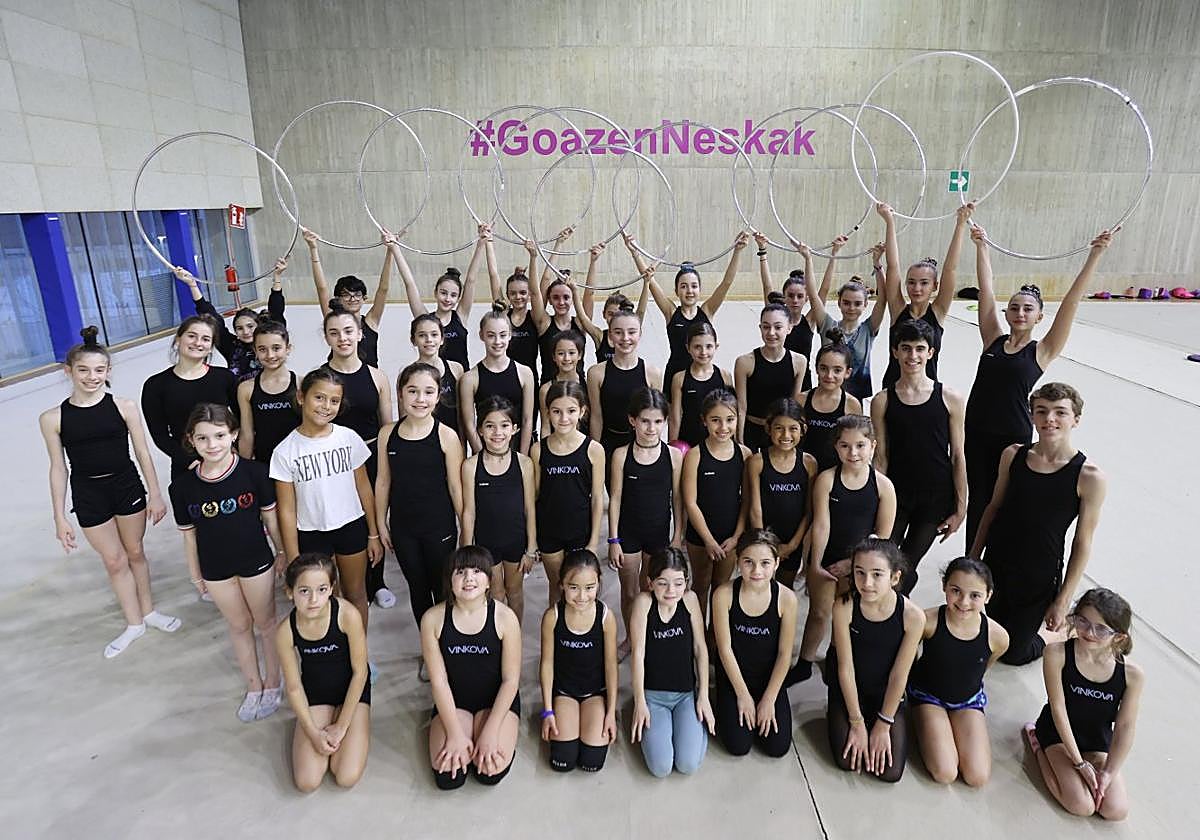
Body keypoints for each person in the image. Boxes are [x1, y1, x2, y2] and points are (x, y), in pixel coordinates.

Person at [963, 227, 1116, 547]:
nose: (1020, 313)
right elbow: (986, 289)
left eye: (1027, 309)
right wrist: (981, 247)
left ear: (1039, 317)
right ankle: (970, 565)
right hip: (975, 433)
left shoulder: (1041, 351)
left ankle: (996, 566)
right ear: (1006, 313)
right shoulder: (993, 338)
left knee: (1002, 503)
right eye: (1015, 307)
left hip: (1010, 437)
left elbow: (1071, 303)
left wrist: (1095, 255)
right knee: (977, 501)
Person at [40, 327, 179, 658]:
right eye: (83, 370)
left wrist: (155, 494)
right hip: (88, 493)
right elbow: (58, 468)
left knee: (134, 553)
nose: (92, 377)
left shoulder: (124, 406)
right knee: (114, 561)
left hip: (125, 485)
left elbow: (143, 453)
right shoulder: (53, 418)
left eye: (99, 370)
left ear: (109, 371)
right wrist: (59, 517)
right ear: (68, 372)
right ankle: (134, 623)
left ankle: (148, 612)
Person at [971, 383, 1106, 666]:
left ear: (1076, 420)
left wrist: (1063, 599)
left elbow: (1083, 542)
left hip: (1038, 574)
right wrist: (972, 559)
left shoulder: (1088, 476)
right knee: (980, 637)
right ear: (1032, 416)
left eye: (1060, 413)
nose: (1050, 420)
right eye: (1042, 412)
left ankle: (1056, 634)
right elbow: (993, 508)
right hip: (997, 562)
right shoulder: (1014, 455)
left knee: (1014, 653)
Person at [174, 403, 284, 720]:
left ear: (233, 434)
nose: (213, 445)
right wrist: (197, 577)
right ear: (191, 441)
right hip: (216, 570)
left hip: (256, 562)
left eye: (220, 436)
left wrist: (281, 554)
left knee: (266, 623)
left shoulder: (255, 473)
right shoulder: (182, 487)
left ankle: (274, 680)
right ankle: (253, 685)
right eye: (204, 438)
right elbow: (190, 536)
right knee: (238, 626)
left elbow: (271, 520)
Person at [271, 369, 383, 636]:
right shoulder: (286, 451)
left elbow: (364, 488)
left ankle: (358, 651)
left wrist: (374, 533)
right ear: (301, 397)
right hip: (311, 534)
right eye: (319, 398)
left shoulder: (348, 438)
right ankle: (335, 650)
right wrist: (292, 554)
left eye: (334, 401)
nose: (326, 406)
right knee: (325, 598)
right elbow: (287, 510)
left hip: (350, 527)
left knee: (356, 593)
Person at [793, 415, 896, 684]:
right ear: (835, 447)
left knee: (847, 615)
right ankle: (804, 662)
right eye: (845, 446)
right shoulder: (827, 480)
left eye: (860, 446)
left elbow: (882, 538)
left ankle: (835, 658)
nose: (853, 453)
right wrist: (814, 565)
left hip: (862, 566)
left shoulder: (883, 486)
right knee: (819, 612)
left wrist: (853, 565)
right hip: (826, 559)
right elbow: (821, 525)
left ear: (872, 446)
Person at [1025, 588, 1142, 821]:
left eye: (1101, 629)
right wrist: (1079, 764)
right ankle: (1037, 744)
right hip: (1057, 733)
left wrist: (1109, 772)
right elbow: (1058, 708)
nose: (1089, 632)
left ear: (1118, 637)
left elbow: (1125, 727)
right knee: (1081, 805)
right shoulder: (1056, 653)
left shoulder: (1132, 674)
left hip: (1097, 740)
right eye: (1083, 622)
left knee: (1115, 810)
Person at [374, 363, 464, 663]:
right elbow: (383, 481)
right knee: (418, 588)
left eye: (428, 392)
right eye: (412, 391)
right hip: (403, 528)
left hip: (439, 527)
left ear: (438, 397)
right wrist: (380, 524)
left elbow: (455, 486)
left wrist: (466, 526)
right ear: (400, 394)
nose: (420, 399)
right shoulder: (388, 434)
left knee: (443, 588)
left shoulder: (447, 436)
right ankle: (429, 650)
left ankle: (448, 645)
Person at [870, 319, 967, 593]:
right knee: (883, 560)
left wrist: (961, 509)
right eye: (906, 348)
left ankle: (895, 620)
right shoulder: (883, 400)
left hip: (934, 498)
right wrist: (874, 501)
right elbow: (881, 457)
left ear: (930, 353)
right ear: (895, 352)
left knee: (906, 569)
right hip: (896, 495)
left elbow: (958, 456)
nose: (913, 356)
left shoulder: (950, 398)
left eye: (919, 349)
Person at [421, 546, 522, 789]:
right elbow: (439, 682)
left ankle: (490, 729)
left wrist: (490, 731)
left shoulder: (505, 618)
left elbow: (510, 681)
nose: (469, 578)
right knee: (449, 777)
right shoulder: (433, 619)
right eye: (460, 572)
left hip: (496, 700)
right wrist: (454, 734)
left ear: (489, 581)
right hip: (455, 702)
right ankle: (459, 730)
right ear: (450, 581)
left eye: (477, 571)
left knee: (489, 773)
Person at [826, 538, 925, 782]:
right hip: (851, 688)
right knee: (849, 761)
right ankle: (842, 713)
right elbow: (845, 668)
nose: (866, 583)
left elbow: (900, 675)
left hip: (886, 692)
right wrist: (857, 722)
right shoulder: (844, 607)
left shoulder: (913, 616)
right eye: (860, 573)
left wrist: (884, 723)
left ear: (894, 577)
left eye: (877, 574)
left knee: (890, 773)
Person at [908, 557, 1009, 786]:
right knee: (945, 772)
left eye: (975, 595)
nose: (964, 602)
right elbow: (908, 659)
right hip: (928, 696)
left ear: (988, 596)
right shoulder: (927, 621)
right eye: (956, 591)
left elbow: (981, 669)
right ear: (944, 586)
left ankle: (951, 724)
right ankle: (924, 719)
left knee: (977, 777)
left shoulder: (998, 637)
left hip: (967, 700)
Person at [321, 300, 394, 609]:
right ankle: (337, 582)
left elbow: (387, 426)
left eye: (349, 331)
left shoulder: (377, 377)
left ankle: (376, 581)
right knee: (340, 521)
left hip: (370, 456)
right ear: (327, 338)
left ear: (360, 334)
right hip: (334, 461)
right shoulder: (321, 379)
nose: (343, 338)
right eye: (335, 333)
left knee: (371, 521)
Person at [276, 554, 370, 792]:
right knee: (307, 782)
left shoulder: (347, 615)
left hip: (352, 690)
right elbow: (295, 687)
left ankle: (353, 719)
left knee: (346, 776)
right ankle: (322, 723)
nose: (313, 599)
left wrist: (342, 725)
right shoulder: (285, 631)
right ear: (290, 592)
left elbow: (360, 673)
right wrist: (312, 732)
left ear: (331, 589)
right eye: (304, 591)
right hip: (316, 692)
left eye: (321, 589)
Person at [608, 387, 685, 653]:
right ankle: (631, 637)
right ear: (633, 421)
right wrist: (614, 539)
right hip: (628, 533)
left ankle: (648, 634)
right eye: (645, 421)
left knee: (650, 588)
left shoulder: (673, 456)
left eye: (658, 421)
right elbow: (615, 499)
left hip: (659, 533)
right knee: (629, 592)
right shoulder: (620, 455)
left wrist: (678, 534)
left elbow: (678, 498)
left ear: (665, 422)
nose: (651, 428)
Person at [711, 529, 798, 758]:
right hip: (735, 675)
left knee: (777, 747)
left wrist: (769, 699)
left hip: (768, 677)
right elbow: (724, 649)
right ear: (738, 562)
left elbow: (784, 655)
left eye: (765, 563)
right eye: (748, 562)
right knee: (738, 746)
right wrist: (742, 694)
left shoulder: (787, 599)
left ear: (777, 563)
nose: (757, 571)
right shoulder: (723, 595)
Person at [629, 548, 714, 777]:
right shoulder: (644, 604)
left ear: (686, 582)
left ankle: (692, 729)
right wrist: (640, 702)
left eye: (678, 583)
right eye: (662, 583)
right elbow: (638, 654)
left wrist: (703, 696)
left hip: (685, 694)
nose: (671, 591)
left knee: (687, 765)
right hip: (654, 697)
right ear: (650, 582)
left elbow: (700, 649)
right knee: (661, 768)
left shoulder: (690, 600)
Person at [539, 550, 619, 772]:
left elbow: (611, 666)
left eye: (589, 588)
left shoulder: (606, 617)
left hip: (595, 693)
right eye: (573, 587)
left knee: (591, 762)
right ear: (562, 585)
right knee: (563, 761)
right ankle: (565, 716)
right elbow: (546, 664)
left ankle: (594, 716)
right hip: (565, 692)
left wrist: (611, 712)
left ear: (598, 583)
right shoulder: (552, 617)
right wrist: (548, 711)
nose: (582, 596)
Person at [461, 396, 537, 623]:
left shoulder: (524, 463)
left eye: (504, 426)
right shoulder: (471, 466)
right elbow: (469, 512)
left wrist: (531, 547)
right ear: (480, 430)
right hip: (486, 545)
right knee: (495, 593)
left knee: (514, 592)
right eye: (490, 426)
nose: (498, 433)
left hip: (516, 542)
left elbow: (529, 508)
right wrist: (467, 550)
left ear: (514, 429)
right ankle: (498, 634)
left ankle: (515, 634)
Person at [879, 204, 973, 388]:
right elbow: (892, 266)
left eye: (924, 283)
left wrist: (960, 224)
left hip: (926, 391)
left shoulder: (938, 312)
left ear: (935, 286)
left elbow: (950, 269)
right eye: (912, 282)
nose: (917, 288)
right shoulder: (898, 310)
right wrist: (889, 221)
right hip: (894, 387)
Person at [141, 313, 238, 490]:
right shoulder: (156, 385)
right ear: (178, 340)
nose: (198, 343)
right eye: (192, 336)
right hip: (186, 466)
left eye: (205, 339)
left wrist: (233, 452)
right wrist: (191, 461)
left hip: (227, 461)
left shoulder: (224, 378)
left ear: (210, 348)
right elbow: (160, 435)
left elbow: (240, 419)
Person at [645, 232, 748, 392]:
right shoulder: (671, 312)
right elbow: (650, 281)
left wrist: (738, 251)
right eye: (684, 286)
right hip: (675, 374)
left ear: (700, 289)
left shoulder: (707, 311)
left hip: (702, 374)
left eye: (694, 286)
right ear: (676, 290)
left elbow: (726, 283)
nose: (689, 291)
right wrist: (634, 253)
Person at [532, 381, 604, 600]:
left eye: (571, 411)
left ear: (582, 411)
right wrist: (533, 540)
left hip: (580, 533)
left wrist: (592, 542)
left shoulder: (593, 450)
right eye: (556, 412)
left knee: (581, 591)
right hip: (550, 533)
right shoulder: (538, 450)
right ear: (547, 413)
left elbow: (598, 499)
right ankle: (555, 633)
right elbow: (534, 497)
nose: (564, 418)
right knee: (557, 587)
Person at [682, 389, 749, 622]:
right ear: (704, 421)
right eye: (715, 420)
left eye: (730, 420)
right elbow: (690, 502)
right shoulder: (695, 455)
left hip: (730, 535)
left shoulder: (744, 454)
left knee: (721, 588)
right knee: (700, 584)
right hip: (700, 536)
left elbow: (747, 501)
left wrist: (737, 536)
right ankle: (698, 632)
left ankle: (715, 636)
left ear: (738, 418)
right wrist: (708, 540)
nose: (723, 427)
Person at [803, 224, 889, 401]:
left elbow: (883, 299)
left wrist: (878, 265)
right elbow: (814, 295)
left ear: (865, 304)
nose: (851, 308)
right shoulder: (828, 324)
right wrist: (829, 256)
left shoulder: (868, 329)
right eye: (847, 303)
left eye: (857, 303)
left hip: (856, 396)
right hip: (826, 396)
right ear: (840, 303)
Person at [176, 259, 287, 381]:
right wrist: (192, 285)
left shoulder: (268, 341)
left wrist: (277, 277)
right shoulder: (231, 346)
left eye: (250, 326)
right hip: (239, 396)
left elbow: (276, 312)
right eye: (239, 328)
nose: (245, 332)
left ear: (258, 325)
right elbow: (212, 317)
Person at [747, 398, 817, 590]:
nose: (786, 435)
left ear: (803, 430)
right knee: (759, 587)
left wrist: (793, 545)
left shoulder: (808, 463)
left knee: (783, 589)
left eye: (793, 428)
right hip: (762, 539)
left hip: (791, 542)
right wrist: (763, 544)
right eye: (779, 428)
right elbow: (754, 508)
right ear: (769, 428)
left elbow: (809, 511)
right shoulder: (757, 461)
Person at [392, 226, 486, 368]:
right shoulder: (425, 319)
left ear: (459, 298)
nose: (448, 299)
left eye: (453, 295)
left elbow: (471, 280)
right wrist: (395, 248)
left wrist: (481, 243)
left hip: (460, 380)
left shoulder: (460, 316)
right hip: (432, 381)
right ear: (435, 293)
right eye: (443, 293)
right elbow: (409, 284)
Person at [587, 299, 662, 463]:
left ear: (640, 334)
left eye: (631, 332)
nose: (625, 338)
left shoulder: (652, 373)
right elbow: (596, 416)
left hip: (641, 445)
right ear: (611, 335)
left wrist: (654, 449)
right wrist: (595, 452)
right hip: (608, 444)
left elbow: (657, 417)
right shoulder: (596, 373)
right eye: (618, 332)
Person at [304, 227, 391, 367]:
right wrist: (313, 248)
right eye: (346, 295)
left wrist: (390, 250)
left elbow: (383, 289)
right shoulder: (333, 317)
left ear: (364, 298)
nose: (352, 299)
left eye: (357, 295)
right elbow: (322, 289)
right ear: (338, 298)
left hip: (368, 378)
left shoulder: (371, 321)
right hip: (337, 377)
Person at [459, 303, 537, 455]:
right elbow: (469, 424)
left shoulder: (525, 373)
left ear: (509, 335)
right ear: (482, 335)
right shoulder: (470, 379)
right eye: (491, 335)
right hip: (485, 449)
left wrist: (522, 456)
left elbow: (527, 420)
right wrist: (483, 457)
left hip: (516, 450)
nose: (497, 341)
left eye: (502, 335)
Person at [734, 295, 807, 453]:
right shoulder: (745, 362)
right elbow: (741, 406)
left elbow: (794, 406)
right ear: (760, 328)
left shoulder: (799, 362)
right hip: (752, 430)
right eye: (766, 327)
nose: (771, 333)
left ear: (789, 328)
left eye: (778, 327)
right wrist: (739, 439)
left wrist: (793, 438)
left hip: (781, 433)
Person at [754, 231, 816, 391]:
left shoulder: (809, 321)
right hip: (777, 376)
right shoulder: (776, 317)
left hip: (802, 381)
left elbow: (820, 292)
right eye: (791, 295)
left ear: (807, 298)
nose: (795, 300)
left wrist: (809, 259)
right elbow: (767, 286)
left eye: (800, 296)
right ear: (784, 296)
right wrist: (762, 250)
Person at [574, 241, 650, 364]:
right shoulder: (599, 336)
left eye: (618, 314)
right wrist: (575, 292)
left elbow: (640, 311)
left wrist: (647, 284)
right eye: (610, 314)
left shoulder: (630, 332)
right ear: (604, 314)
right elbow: (583, 315)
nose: (614, 317)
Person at [237, 319, 299, 465]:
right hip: (265, 464)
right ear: (255, 352)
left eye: (276, 348)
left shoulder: (301, 384)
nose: (270, 355)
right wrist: (245, 472)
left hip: (299, 462)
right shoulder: (246, 389)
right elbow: (247, 434)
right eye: (263, 349)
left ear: (288, 348)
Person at [528, 229, 586, 384]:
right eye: (556, 297)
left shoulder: (580, 323)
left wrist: (593, 261)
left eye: (566, 297)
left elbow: (590, 294)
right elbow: (536, 291)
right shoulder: (544, 323)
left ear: (573, 298)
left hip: (578, 388)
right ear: (549, 299)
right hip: (550, 388)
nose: (561, 302)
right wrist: (557, 244)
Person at [799, 339, 863, 473]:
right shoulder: (801, 399)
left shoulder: (851, 404)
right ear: (816, 368)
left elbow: (855, 444)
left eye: (837, 370)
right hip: (802, 470)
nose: (829, 375)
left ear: (847, 372)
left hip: (835, 473)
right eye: (824, 368)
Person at [668, 321, 732, 448]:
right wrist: (672, 447)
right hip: (688, 440)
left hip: (716, 440)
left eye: (709, 346)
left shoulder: (724, 376)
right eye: (697, 347)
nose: (703, 352)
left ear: (716, 346)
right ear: (688, 348)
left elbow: (731, 412)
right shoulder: (680, 378)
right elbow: (675, 418)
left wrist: (733, 442)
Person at [485, 236, 540, 379]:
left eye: (522, 293)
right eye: (513, 293)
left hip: (529, 380)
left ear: (528, 294)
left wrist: (533, 257)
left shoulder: (535, 317)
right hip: (504, 377)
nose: (518, 297)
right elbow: (493, 275)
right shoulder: (503, 315)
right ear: (508, 295)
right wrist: (488, 241)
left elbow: (536, 291)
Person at [410, 312, 464, 438]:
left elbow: (461, 416)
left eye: (434, 335)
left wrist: (462, 446)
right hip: (422, 442)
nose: (429, 340)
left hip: (452, 441)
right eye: (422, 335)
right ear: (414, 340)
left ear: (442, 339)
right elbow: (405, 418)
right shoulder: (408, 373)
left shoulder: (456, 369)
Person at [537, 329, 585, 435]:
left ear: (580, 355)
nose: (566, 358)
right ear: (554, 357)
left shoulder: (588, 384)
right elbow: (545, 426)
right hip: (556, 444)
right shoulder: (546, 389)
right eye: (561, 353)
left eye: (571, 353)